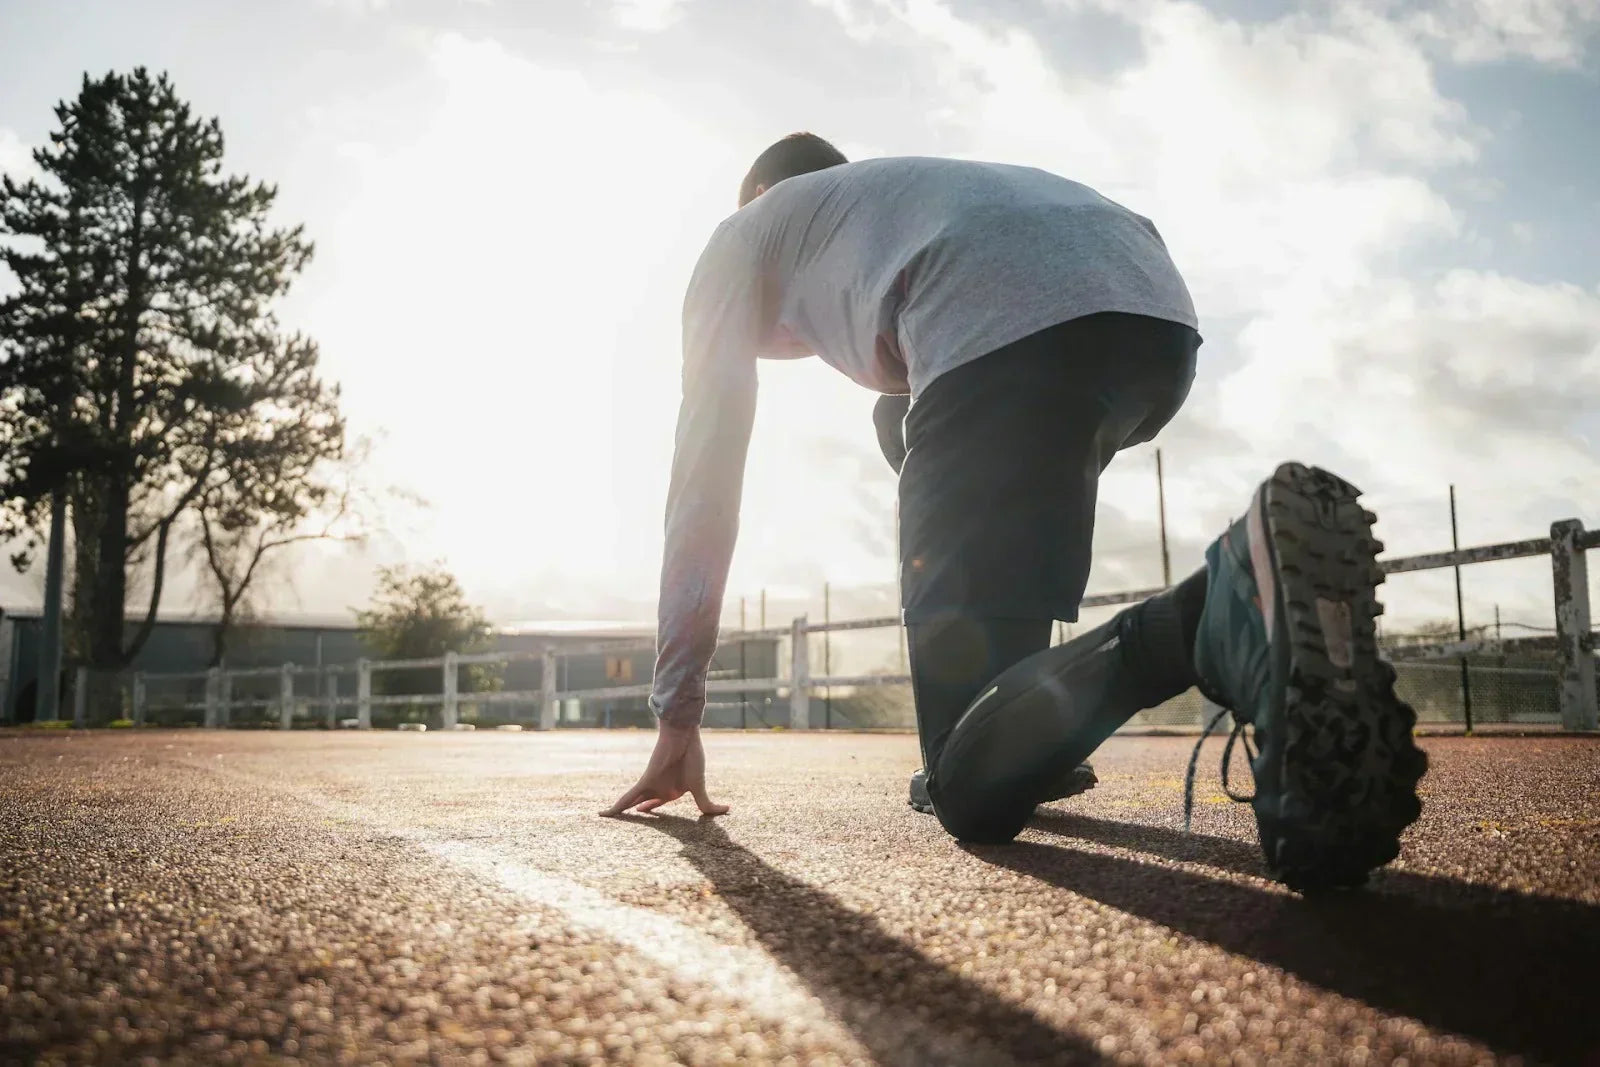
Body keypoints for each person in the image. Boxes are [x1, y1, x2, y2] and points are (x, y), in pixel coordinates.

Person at [603, 133, 1427, 891]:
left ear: (758, 194)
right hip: (1152, 320)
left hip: (1003, 332)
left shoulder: (742, 235)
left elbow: (703, 480)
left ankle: (1213, 613)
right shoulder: (895, 197)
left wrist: (678, 711)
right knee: (910, 422)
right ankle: (1038, 724)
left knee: (964, 787)